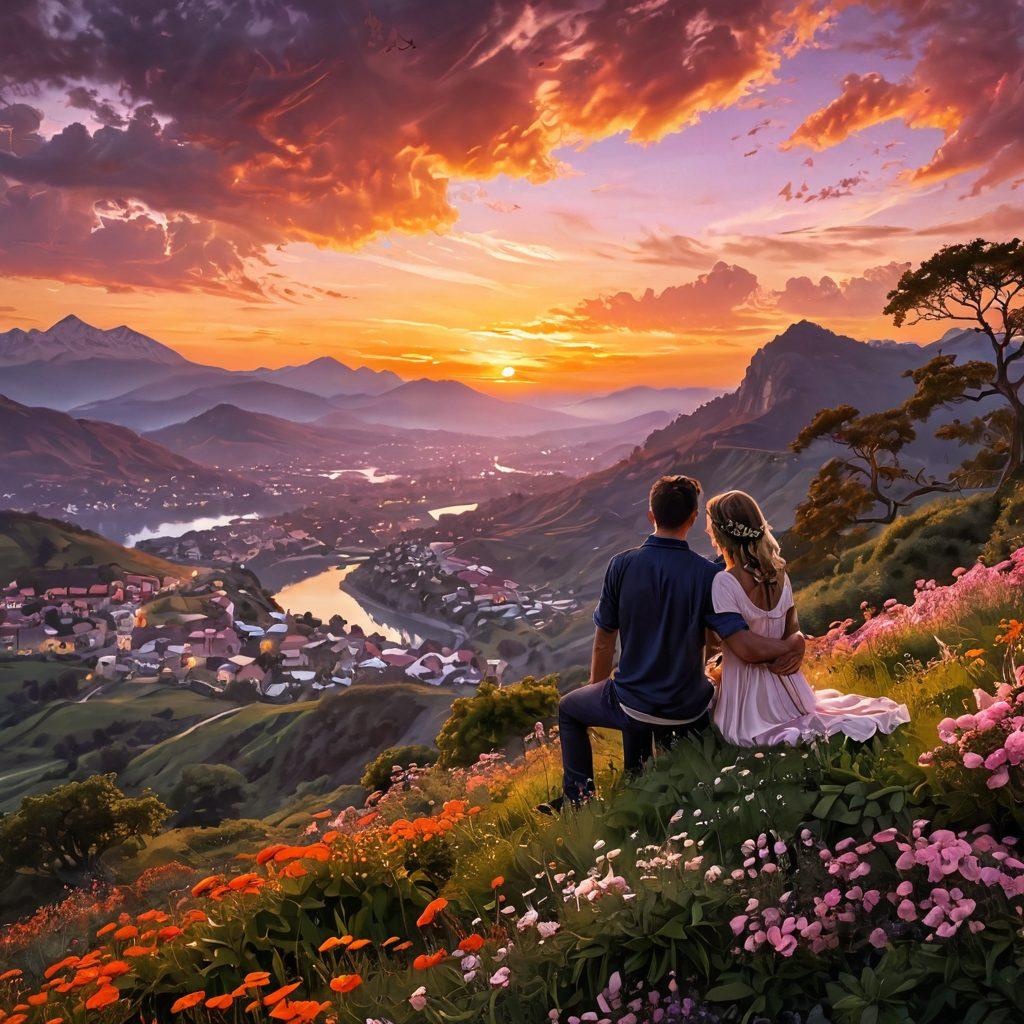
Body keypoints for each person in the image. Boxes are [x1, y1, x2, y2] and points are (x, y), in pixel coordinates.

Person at [550, 475, 806, 808]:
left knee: (571, 709)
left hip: (634, 704)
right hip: (687, 709)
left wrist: (600, 691)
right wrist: (794, 642)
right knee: (639, 721)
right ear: (693, 519)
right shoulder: (709, 575)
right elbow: (731, 637)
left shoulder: (621, 566)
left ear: (651, 515)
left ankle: (578, 801)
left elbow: (603, 644)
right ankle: (641, 782)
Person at [706, 489, 909, 746]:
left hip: (750, 700)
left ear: (721, 533)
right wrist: (794, 645)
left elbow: (746, 650)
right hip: (790, 684)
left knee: (756, 736)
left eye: (710, 526)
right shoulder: (779, 572)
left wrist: (792, 645)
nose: (707, 533)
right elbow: (794, 629)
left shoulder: (724, 581)